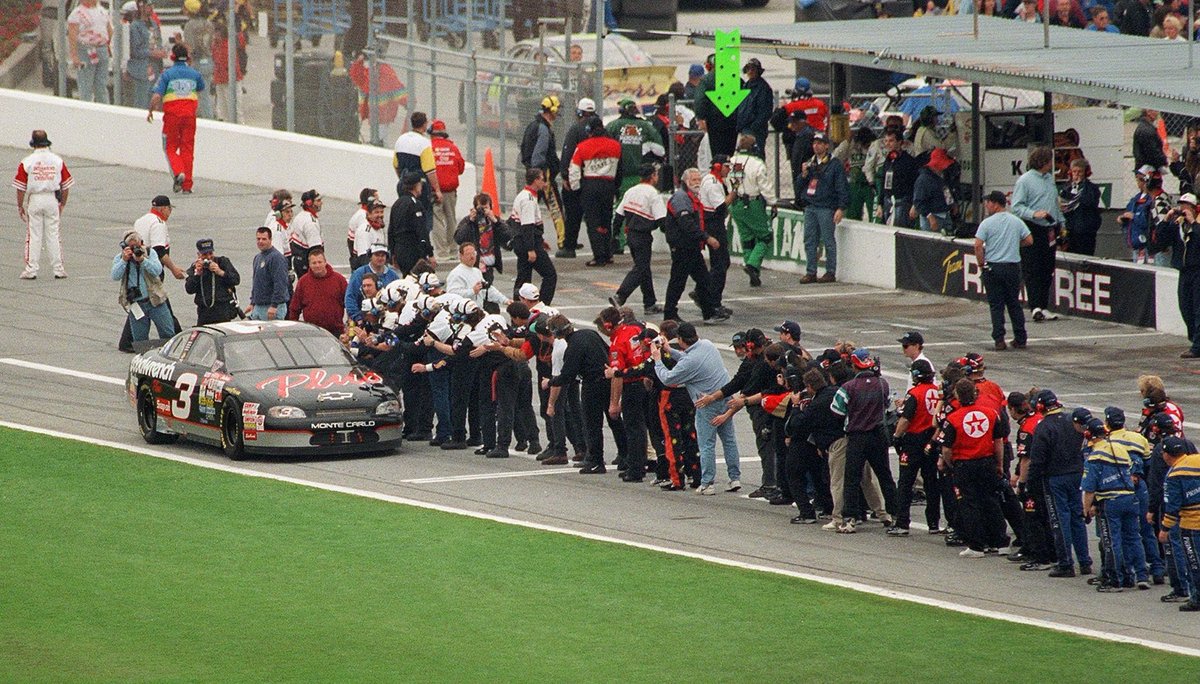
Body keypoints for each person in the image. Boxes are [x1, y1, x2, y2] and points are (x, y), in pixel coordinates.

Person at [652, 323, 740, 495]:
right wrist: (669, 350)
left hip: (706, 402)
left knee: (706, 444)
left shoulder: (689, 362)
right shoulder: (707, 345)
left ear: (681, 340)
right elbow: (687, 358)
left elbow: (668, 379)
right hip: (725, 396)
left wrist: (657, 359)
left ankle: (708, 483)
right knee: (729, 440)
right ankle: (734, 478)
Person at [831, 349, 898, 533]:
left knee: (852, 479)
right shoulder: (882, 384)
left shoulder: (848, 387)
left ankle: (850, 519)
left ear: (854, 366)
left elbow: (836, 410)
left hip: (857, 436)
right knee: (885, 477)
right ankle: (895, 515)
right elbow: (886, 405)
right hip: (878, 436)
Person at [939, 378, 1009, 556]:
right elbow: (998, 441)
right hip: (987, 462)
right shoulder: (991, 414)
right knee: (991, 500)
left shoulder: (952, 419)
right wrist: (999, 463)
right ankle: (1000, 542)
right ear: (975, 393)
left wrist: (951, 464)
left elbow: (946, 449)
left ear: (957, 395)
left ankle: (977, 545)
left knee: (969, 504)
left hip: (964, 464)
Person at [1080, 418, 1148, 592]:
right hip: (1131, 498)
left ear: (1088, 434)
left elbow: (1089, 488)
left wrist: (1086, 509)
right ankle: (1139, 576)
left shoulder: (1095, 456)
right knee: (1134, 538)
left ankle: (1114, 580)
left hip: (1111, 501)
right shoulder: (1119, 448)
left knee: (1112, 540)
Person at [546, 315, 612, 475]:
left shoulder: (572, 348)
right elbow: (608, 350)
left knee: (592, 425)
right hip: (608, 379)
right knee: (615, 421)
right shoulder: (590, 334)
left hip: (592, 384)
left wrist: (549, 382)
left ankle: (596, 460)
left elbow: (567, 376)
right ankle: (625, 457)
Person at [1011, 146, 1065, 323]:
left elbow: (1054, 204)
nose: (1052, 164)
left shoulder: (1050, 179)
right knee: (1032, 268)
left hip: (1050, 228)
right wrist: (1034, 213)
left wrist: (1061, 223)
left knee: (1047, 268)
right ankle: (1035, 306)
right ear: (1043, 162)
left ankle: (1043, 305)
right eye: (1050, 160)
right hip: (1033, 227)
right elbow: (1016, 207)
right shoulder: (1024, 181)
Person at [664, 168, 726, 323]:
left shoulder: (691, 197)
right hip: (683, 246)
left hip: (691, 246)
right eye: (693, 180)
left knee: (703, 279)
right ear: (685, 181)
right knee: (678, 281)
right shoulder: (681, 198)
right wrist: (707, 238)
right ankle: (670, 314)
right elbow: (686, 224)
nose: (697, 183)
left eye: (699, 180)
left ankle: (709, 312)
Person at [974, 190, 1033, 351]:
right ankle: (1021, 338)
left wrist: (981, 264)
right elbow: (1029, 240)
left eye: (988, 203)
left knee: (996, 305)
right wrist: (1014, 244)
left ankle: (999, 339)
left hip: (994, 266)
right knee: (1014, 303)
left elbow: (978, 245)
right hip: (1013, 266)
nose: (986, 206)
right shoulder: (1016, 221)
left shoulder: (987, 223)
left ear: (995, 203)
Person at [890, 359, 942, 536]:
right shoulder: (937, 393)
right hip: (932, 440)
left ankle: (902, 523)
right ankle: (933, 523)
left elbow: (905, 419)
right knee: (931, 483)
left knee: (905, 483)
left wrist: (896, 436)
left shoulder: (914, 394)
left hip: (914, 441)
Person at [13, 130, 72, 281]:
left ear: (33, 144)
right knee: (53, 234)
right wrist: (62, 203)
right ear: (47, 143)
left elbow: (20, 187)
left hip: (35, 198)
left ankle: (31, 269)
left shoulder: (27, 161)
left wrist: (20, 206)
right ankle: (58, 269)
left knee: (34, 235)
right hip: (52, 198)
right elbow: (65, 185)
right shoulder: (57, 160)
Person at [148, 44, 205, 195]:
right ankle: (187, 186)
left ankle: (179, 172)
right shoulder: (195, 74)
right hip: (190, 117)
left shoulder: (167, 74)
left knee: (170, 148)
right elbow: (200, 88)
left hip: (172, 117)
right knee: (187, 149)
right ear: (187, 58)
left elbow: (156, 96)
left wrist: (150, 111)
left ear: (172, 57)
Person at [568, 116, 622, 267]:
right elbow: (620, 170)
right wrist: (615, 187)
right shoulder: (616, 146)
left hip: (590, 186)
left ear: (589, 131)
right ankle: (608, 253)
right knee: (606, 221)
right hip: (609, 185)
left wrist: (576, 189)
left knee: (593, 223)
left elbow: (574, 170)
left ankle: (599, 256)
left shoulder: (582, 146)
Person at [614, 164, 666, 315]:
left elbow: (618, 215)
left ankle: (649, 303)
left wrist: (615, 235)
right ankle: (620, 295)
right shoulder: (653, 194)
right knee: (641, 268)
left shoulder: (631, 191)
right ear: (652, 176)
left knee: (644, 268)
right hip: (643, 236)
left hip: (630, 235)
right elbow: (662, 220)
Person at [798, 132, 849, 284]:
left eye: (820, 143)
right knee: (809, 240)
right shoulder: (810, 163)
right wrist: (803, 174)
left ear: (827, 145)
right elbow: (799, 186)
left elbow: (841, 187)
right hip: (811, 206)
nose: (816, 146)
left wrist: (840, 207)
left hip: (826, 207)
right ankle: (811, 271)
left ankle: (830, 271)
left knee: (828, 240)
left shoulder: (834, 165)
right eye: (814, 143)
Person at [1155, 193, 1200, 358]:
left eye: (1186, 206)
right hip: (1184, 271)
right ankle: (1195, 340)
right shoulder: (1176, 226)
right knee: (1185, 307)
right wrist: (1166, 221)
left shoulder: (1197, 224)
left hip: (1198, 271)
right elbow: (1160, 242)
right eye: (1181, 205)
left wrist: (1194, 224)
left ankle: (1197, 347)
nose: (1183, 209)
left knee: (1198, 309)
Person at [1159, 436, 1200, 611]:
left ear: (1167, 455)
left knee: (1194, 562)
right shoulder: (1197, 460)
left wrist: (1165, 529)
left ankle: (1197, 598)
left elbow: (1172, 506)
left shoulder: (1174, 475)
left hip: (1191, 525)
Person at [112, 230, 176, 342]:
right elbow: (115, 276)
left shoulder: (150, 253)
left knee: (168, 333)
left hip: (156, 300)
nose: (135, 250)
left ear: (142, 243)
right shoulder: (120, 258)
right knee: (140, 339)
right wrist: (124, 261)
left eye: (137, 246)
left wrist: (143, 260)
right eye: (131, 247)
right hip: (137, 303)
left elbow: (157, 270)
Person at [557, 97, 599, 259]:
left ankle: (569, 246)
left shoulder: (576, 129)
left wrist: (565, 176)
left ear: (579, 113)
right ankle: (601, 250)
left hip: (577, 178)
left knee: (573, 213)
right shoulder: (601, 129)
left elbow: (567, 153)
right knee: (595, 217)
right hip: (597, 178)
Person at [729, 134, 771, 288]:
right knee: (765, 237)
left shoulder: (732, 162)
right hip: (753, 202)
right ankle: (753, 265)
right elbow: (765, 186)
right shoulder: (757, 163)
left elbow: (731, 183)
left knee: (746, 238)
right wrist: (772, 202)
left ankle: (753, 270)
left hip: (736, 203)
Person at [510, 167, 558, 305]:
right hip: (528, 244)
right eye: (543, 179)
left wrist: (540, 240)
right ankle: (542, 306)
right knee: (550, 275)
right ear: (536, 180)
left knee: (523, 278)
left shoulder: (524, 195)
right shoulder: (529, 200)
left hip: (523, 242)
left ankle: (518, 309)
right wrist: (531, 248)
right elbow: (527, 226)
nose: (545, 183)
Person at [394, 111, 441, 233]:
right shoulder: (424, 143)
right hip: (420, 186)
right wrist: (437, 190)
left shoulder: (401, 139)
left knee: (405, 214)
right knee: (423, 219)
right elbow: (430, 170)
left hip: (403, 183)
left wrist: (402, 179)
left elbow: (396, 164)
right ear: (424, 124)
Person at [286, 246, 347, 336]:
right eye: (314, 263)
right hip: (312, 332)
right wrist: (294, 329)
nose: (317, 265)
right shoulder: (303, 282)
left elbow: (349, 304)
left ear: (325, 262)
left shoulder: (339, 280)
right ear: (309, 264)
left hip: (336, 331)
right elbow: (294, 308)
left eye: (320, 262)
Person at [699, 155, 733, 316]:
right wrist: (732, 196)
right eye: (727, 166)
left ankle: (709, 296)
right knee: (720, 263)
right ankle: (711, 299)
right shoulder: (712, 182)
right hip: (713, 224)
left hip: (715, 224)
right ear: (718, 166)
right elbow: (719, 207)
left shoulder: (716, 181)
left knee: (721, 263)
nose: (729, 169)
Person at [429, 120, 465, 261]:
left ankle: (442, 251)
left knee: (437, 220)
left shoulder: (429, 148)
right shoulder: (453, 147)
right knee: (451, 219)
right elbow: (460, 169)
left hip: (435, 190)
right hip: (451, 190)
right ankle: (453, 248)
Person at [184, 237, 240, 324]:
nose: (208, 257)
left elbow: (236, 280)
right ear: (199, 255)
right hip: (204, 310)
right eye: (204, 255)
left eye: (210, 253)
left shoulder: (222, 262)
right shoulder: (195, 267)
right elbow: (189, 289)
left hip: (222, 308)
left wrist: (220, 272)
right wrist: (197, 274)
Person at [693, 53, 738, 158]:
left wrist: (701, 117)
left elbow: (700, 100)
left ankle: (718, 170)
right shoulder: (734, 78)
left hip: (714, 122)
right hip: (732, 121)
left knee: (717, 153)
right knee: (729, 153)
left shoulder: (706, 80)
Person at [68, 0, 113, 104]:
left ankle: (104, 112)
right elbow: (72, 35)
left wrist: (106, 45)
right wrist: (74, 56)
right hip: (85, 50)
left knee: (101, 85)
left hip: (102, 49)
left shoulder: (102, 11)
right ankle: (86, 112)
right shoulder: (76, 13)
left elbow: (109, 30)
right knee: (85, 85)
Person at [389, 173, 433, 275]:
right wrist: (429, 253)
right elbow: (422, 231)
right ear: (416, 186)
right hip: (413, 251)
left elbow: (391, 231)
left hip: (399, 251)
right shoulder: (415, 204)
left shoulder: (397, 204)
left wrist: (393, 253)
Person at [345, 244, 401, 326]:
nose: (380, 258)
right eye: (377, 255)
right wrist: (357, 318)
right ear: (370, 256)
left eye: (383, 255)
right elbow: (350, 298)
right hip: (364, 319)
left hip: (387, 320)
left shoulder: (393, 275)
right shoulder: (359, 274)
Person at [447, 241, 509, 311]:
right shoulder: (456, 274)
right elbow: (452, 294)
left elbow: (487, 290)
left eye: (473, 253)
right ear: (461, 256)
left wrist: (505, 300)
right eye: (468, 254)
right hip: (464, 313)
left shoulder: (477, 271)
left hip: (479, 311)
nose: (472, 257)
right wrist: (472, 291)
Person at [876, 129, 919, 228]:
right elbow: (884, 181)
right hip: (888, 201)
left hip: (903, 202)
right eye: (886, 141)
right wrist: (880, 204)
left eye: (891, 141)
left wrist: (914, 204)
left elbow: (915, 184)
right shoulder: (888, 160)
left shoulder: (909, 161)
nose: (888, 144)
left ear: (900, 142)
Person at [1059, 158, 1103, 256]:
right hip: (1071, 230)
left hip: (1085, 231)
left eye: (1080, 172)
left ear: (1085, 173)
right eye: (1074, 171)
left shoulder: (1092, 189)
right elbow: (1063, 206)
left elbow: (1090, 202)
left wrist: (1080, 188)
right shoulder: (1066, 189)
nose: (1077, 174)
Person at [246, 226, 290, 321]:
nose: (260, 241)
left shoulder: (277, 258)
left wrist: (274, 306)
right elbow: (256, 282)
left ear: (270, 239)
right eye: (258, 239)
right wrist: (252, 302)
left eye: (264, 239)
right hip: (258, 307)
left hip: (272, 308)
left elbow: (280, 283)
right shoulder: (257, 258)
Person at [833, 127, 876, 221]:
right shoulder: (851, 145)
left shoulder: (874, 146)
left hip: (870, 184)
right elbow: (836, 157)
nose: (863, 145)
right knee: (852, 214)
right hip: (855, 183)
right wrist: (847, 142)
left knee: (874, 213)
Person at [210, 11, 245, 123]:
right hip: (221, 79)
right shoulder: (216, 45)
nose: (215, 36)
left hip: (231, 80)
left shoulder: (229, 45)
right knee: (223, 108)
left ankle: (240, 128)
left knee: (235, 107)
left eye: (217, 33)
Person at [911, 147, 955, 235]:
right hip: (932, 218)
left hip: (945, 214)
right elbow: (919, 202)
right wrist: (929, 216)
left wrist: (952, 204)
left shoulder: (942, 176)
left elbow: (946, 191)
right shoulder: (923, 180)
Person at [181, 0, 214, 119]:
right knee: (205, 93)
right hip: (209, 61)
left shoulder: (190, 25)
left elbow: (190, 48)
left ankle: (208, 120)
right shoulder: (209, 24)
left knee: (200, 96)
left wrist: (180, 43)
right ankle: (206, 118)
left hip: (197, 62)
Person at [735, 58, 773, 156]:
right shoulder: (745, 86)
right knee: (744, 155)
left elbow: (765, 112)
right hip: (745, 128)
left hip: (757, 130)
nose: (750, 71)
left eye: (753, 69)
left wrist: (755, 126)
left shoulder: (764, 88)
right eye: (748, 69)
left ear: (758, 71)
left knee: (757, 154)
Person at [289, 189, 324, 278]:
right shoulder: (310, 223)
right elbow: (315, 250)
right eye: (318, 201)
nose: (321, 203)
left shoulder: (300, 216)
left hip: (299, 260)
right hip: (306, 263)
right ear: (309, 203)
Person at [350, 192, 386, 271]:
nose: (380, 215)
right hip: (365, 272)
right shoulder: (365, 230)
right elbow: (364, 259)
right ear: (368, 214)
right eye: (376, 212)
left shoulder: (379, 228)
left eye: (381, 212)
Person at [1133, 107, 1167, 173]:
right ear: (1148, 112)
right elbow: (1153, 151)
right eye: (1155, 110)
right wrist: (1163, 160)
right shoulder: (1148, 130)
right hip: (1149, 170)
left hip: (1142, 167)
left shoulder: (1144, 127)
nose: (1157, 113)